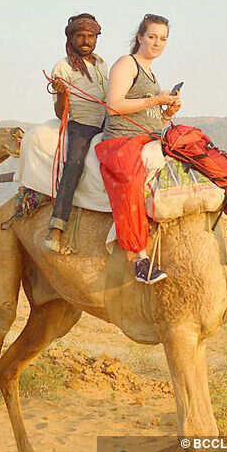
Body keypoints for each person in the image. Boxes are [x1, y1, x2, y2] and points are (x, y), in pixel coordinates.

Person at [95, 14, 181, 283]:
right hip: (122, 140)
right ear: (140, 37)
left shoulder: (152, 75)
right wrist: (156, 100)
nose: (157, 43)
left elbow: (149, 117)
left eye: (163, 39)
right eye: (152, 36)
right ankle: (138, 257)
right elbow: (114, 106)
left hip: (148, 138)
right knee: (131, 179)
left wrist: (166, 113)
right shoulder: (127, 64)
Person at [43, 13, 109, 253]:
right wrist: (62, 93)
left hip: (107, 123)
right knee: (74, 164)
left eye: (91, 36)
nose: (86, 41)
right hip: (81, 124)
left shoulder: (102, 64)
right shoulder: (63, 67)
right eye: (80, 36)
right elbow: (60, 112)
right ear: (71, 38)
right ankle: (56, 226)